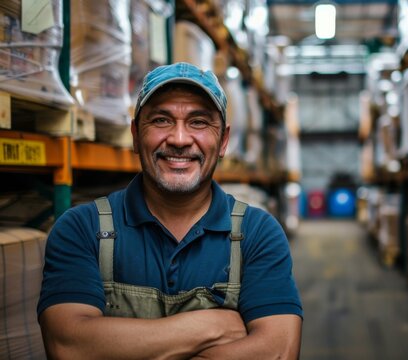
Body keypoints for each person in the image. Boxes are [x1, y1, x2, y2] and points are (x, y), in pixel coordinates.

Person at [38, 62, 303, 359]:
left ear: (224, 140)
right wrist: (211, 327)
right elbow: (70, 347)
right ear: (136, 135)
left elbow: (278, 351)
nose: (179, 139)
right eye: (162, 120)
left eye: (199, 122)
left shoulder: (257, 233)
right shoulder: (81, 228)